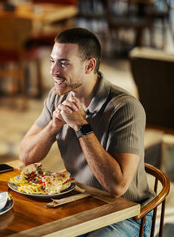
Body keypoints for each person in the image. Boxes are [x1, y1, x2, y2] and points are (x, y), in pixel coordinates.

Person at [19, 28, 155, 236]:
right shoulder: (58, 96)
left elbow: (116, 187)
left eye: (63, 63)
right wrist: (53, 125)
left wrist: (81, 127)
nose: (53, 71)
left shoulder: (125, 108)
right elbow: (26, 156)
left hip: (129, 215)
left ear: (89, 65)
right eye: (52, 61)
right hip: (82, 204)